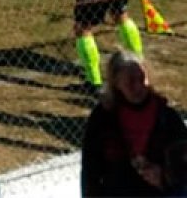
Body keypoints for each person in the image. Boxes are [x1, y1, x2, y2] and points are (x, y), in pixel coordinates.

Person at [80, 51, 187, 197]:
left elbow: (183, 159)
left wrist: (165, 176)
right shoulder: (103, 117)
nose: (138, 87)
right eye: (130, 82)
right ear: (116, 83)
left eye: (142, 79)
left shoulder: (165, 115)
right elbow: (90, 169)